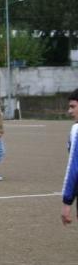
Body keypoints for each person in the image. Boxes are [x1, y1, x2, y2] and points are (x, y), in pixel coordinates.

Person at [61, 88, 78, 225]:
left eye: (73, 106)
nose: (70, 111)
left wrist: (67, 201)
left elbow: (74, 167)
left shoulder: (76, 130)